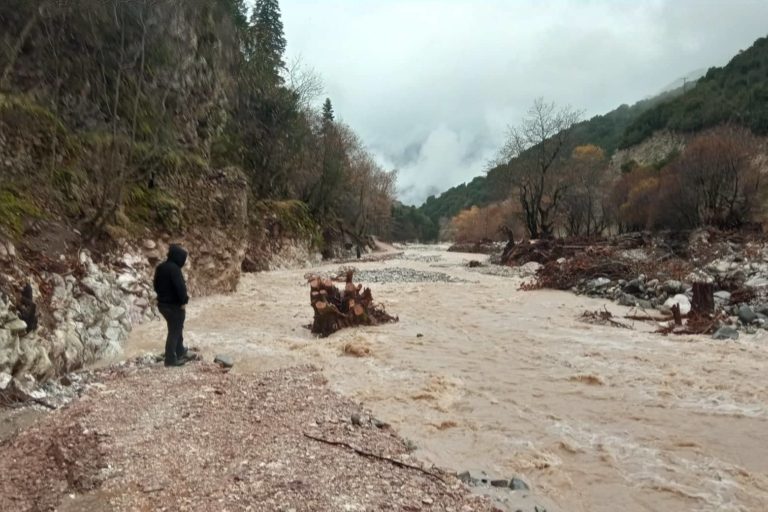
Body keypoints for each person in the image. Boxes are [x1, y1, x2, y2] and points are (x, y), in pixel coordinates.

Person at [153, 244, 190, 367]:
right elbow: (180, 288)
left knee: (175, 327)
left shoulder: (161, 267)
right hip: (174, 305)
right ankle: (170, 359)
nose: (183, 262)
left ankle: (179, 351)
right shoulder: (174, 269)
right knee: (174, 330)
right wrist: (184, 301)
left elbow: (155, 285)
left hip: (162, 304)